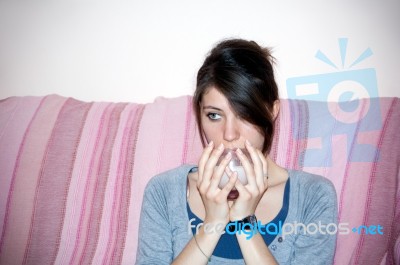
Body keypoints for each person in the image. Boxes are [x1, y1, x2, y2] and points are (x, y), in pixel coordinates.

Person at [135, 39, 337, 264]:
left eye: (244, 113)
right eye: (214, 115)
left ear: (272, 111)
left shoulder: (313, 195)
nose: (229, 134)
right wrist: (212, 224)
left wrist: (244, 222)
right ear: (200, 115)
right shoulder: (164, 191)